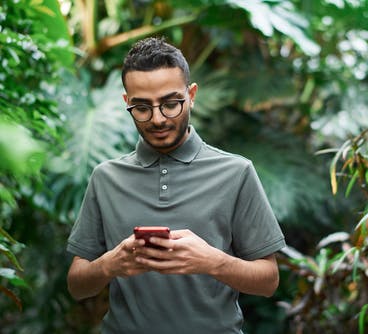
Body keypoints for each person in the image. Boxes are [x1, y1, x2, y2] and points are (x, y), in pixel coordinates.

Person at [66, 37, 286, 333]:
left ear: (191, 95)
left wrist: (212, 262)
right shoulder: (106, 177)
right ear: (126, 102)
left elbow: (269, 281)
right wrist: (109, 264)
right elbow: (77, 285)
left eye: (171, 104)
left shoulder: (236, 172)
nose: (157, 119)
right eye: (142, 107)